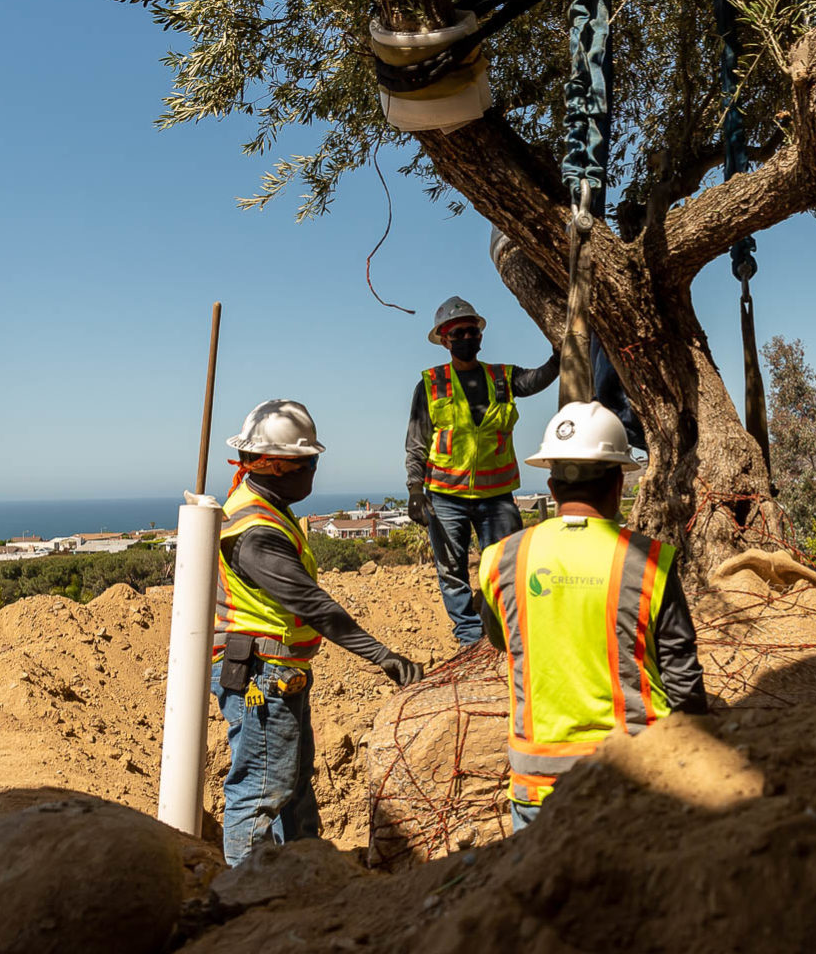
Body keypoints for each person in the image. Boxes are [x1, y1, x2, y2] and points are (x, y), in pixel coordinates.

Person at [477, 401, 707, 831]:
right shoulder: (650, 562)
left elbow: (500, 638)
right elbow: (684, 683)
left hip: (537, 787)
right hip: (635, 780)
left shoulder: (501, 559)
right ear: (619, 481)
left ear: (551, 484)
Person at [213, 399, 424, 867]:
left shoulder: (268, 505)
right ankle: (247, 890)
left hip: (274, 668)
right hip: (261, 672)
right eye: (310, 462)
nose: (313, 471)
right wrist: (384, 656)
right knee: (262, 788)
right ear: (281, 466)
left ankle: (301, 872)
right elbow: (314, 606)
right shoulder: (256, 530)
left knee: (291, 784)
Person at [404, 295, 559, 644]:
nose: (467, 337)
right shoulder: (431, 385)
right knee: (452, 572)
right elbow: (417, 442)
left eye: (472, 331)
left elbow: (536, 380)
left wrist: (558, 357)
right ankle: (470, 638)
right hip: (445, 497)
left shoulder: (502, 378)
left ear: (480, 336)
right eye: (458, 333)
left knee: (505, 566)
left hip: (497, 497)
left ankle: (504, 631)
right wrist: (415, 490)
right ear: (445, 340)